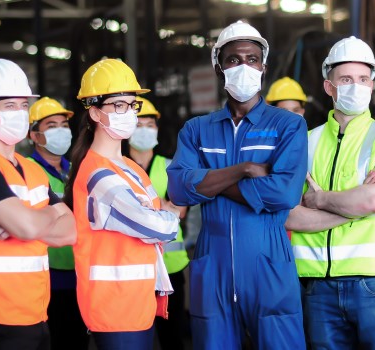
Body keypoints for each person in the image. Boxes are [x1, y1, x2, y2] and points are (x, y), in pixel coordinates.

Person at [167, 21, 308, 349]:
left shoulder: (287, 125)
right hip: (211, 263)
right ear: (219, 68)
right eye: (233, 60)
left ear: (263, 67)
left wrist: (208, 183)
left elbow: (285, 193)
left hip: (269, 263)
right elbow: (177, 188)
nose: (243, 66)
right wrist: (244, 169)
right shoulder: (197, 129)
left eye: (252, 59)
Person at [286, 36, 375, 349]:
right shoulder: (305, 143)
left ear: (372, 85)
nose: (356, 86)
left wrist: (319, 200)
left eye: (363, 79)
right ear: (329, 86)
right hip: (318, 286)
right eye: (346, 79)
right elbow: (289, 215)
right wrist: (354, 207)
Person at [0, 58, 76, 349]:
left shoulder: (31, 168)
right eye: (9, 106)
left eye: (23, 106)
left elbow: (70, 231)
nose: (20, 114)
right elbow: (26, 226)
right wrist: (38, 219)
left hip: (35, 311)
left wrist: (30, 221)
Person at [63, 58, 180, 350]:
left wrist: (163, 218)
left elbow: (157, 221)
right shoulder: (97, 173)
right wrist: (167, 219)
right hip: (115, 307)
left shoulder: (129, 167)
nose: (128, 113)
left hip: (137, 301)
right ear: (94, 112)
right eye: (118, 105)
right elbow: (159, 225)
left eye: (132, 104)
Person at [126, 96, 190, 350]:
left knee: (172, 338)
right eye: (138, 124)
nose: (145, 130)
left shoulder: (171, 167)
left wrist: (138, 208)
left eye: (150, 124)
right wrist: (162, 205)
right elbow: (170, 209)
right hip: (133, 267)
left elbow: (180, 211)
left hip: (171, 268)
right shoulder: (116, 167)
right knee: (135, 339)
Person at [28, 97, 89, 349]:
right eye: (51, 125)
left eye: (64, 125)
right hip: (48, 276)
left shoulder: (76, 168)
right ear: (34, 135)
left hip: (80, 272)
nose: (61, 131)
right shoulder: (28, 170)